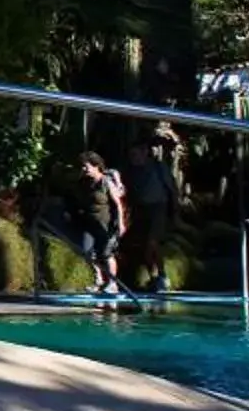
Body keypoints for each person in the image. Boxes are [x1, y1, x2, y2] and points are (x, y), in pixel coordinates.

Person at [119, 127, 183, 294]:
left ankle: (162, 276)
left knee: (152, 244)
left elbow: (172, 190)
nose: (134, 159)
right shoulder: (130, 171)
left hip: (158, 209)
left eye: (136, 155)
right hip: (141, 210)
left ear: (145, 152)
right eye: (131, 155)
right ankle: (153, 277)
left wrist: (175, 213)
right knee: (142, 246)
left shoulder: (158, 167)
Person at [74, 153, 127, 296]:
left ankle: (112, 283)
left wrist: (121, 223)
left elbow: (118, 204)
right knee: (87, 251)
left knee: (106, 253)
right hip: (90, 223)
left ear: (96, 166)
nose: (84, 169)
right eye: (83, 167)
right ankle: (98, 279)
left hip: (106, 224)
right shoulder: (84, 183)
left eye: (87, 166)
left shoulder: (105, 182)